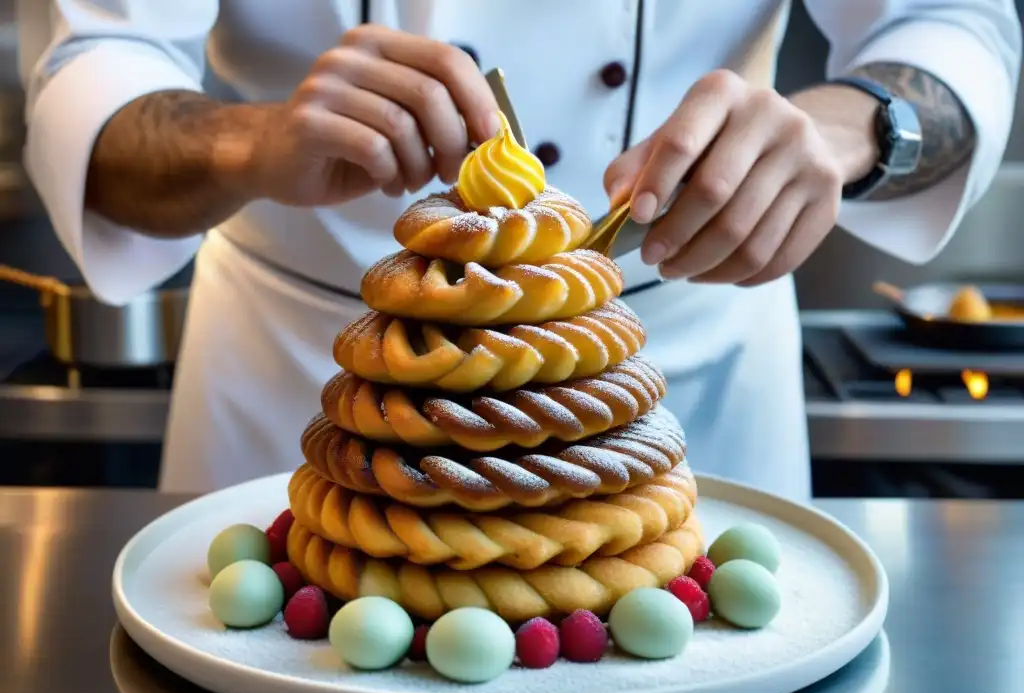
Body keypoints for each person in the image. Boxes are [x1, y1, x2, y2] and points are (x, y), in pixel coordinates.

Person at [19, 1, 1021, 499]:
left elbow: (952, 21)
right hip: (309, 382)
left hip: (673, 376)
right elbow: (88, 82)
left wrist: (857, 131)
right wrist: (249, 138)